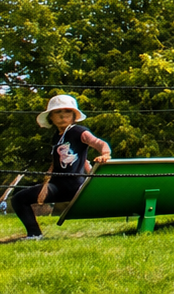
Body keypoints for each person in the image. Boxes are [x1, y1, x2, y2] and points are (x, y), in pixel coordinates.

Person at [9, 94, 111, 240]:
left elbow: (99, 143)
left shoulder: (78, 131)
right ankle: (34, 234)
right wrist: (46, 182)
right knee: (19, 198)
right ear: (51, 117)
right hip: (57, 185)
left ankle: (35, 234)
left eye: (67, 111)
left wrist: (105, 154)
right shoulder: (56, 137)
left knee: (19, 199)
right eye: (58, 112)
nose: (63, 115)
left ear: (74, 115)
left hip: (73, 186)